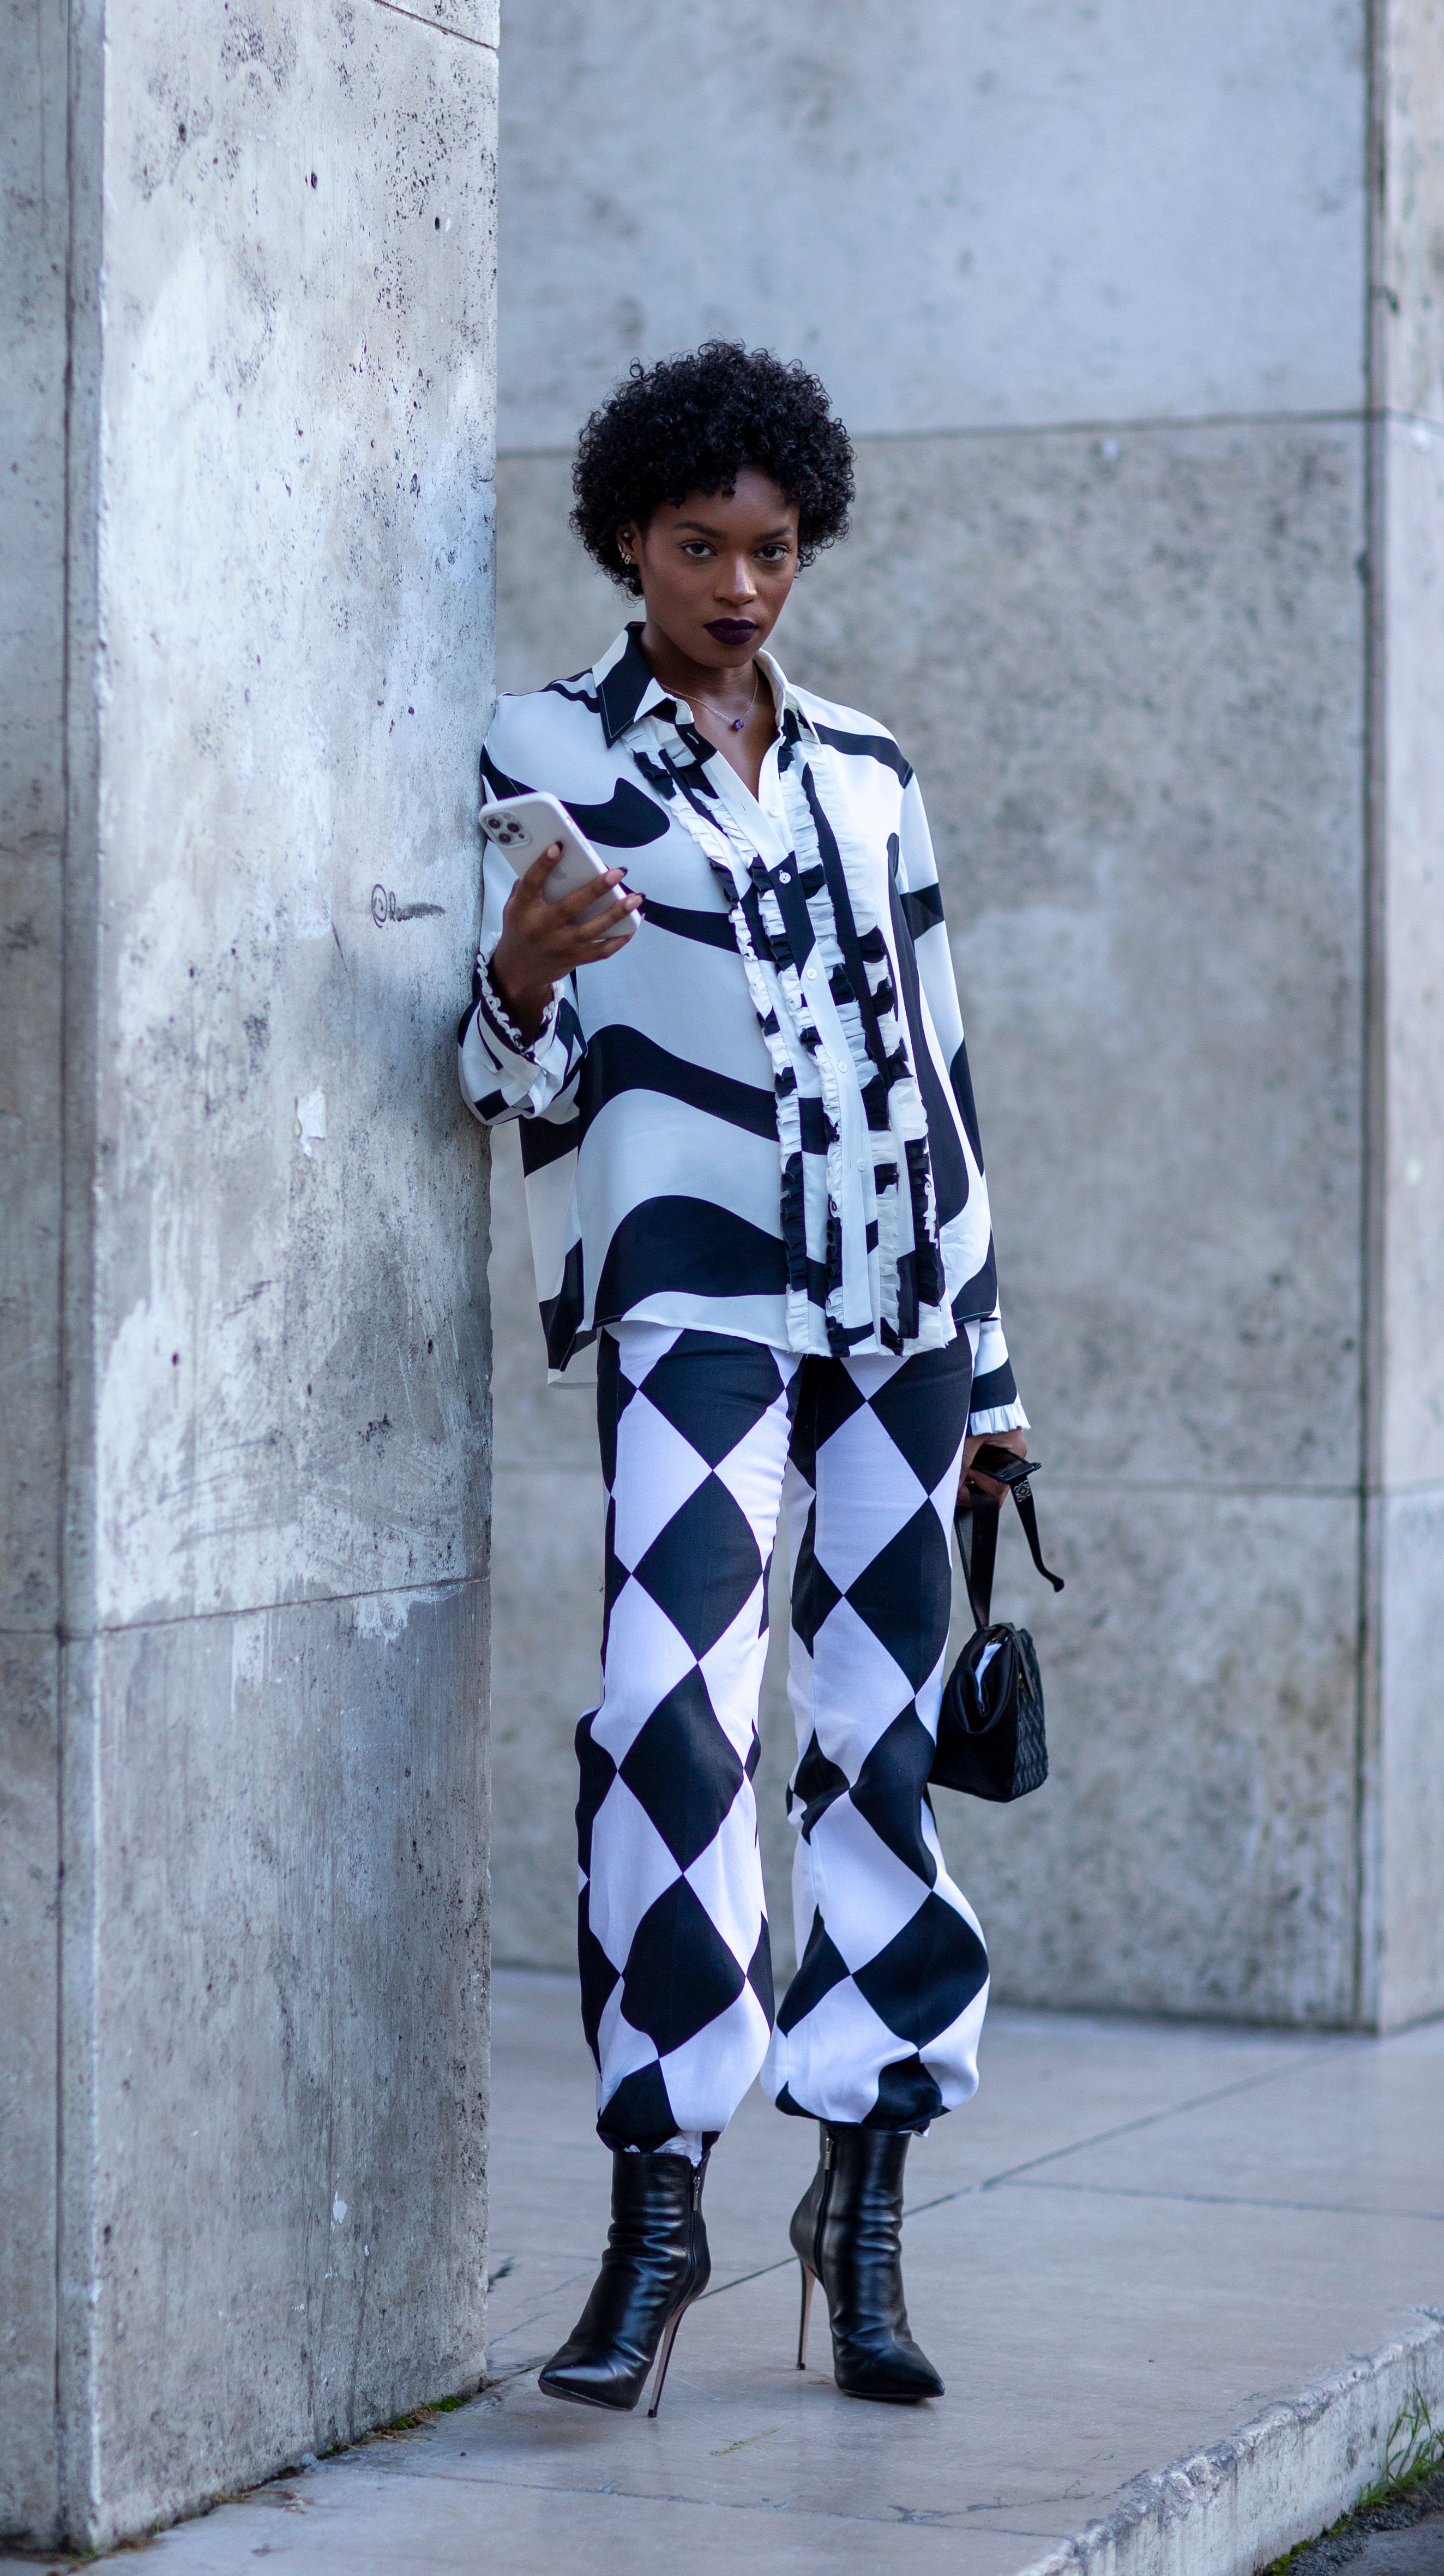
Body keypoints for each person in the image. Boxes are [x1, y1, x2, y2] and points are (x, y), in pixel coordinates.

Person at [458, 341, 1029, 2420]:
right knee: (664, 1727)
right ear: (626, 540)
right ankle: (659, 2206)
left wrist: (987, 1366)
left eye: (770, 548)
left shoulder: (870, 770)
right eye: (700, 547)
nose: (740, 585)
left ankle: (860, 2207)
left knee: (877, 1751)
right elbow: (487, 1051)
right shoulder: (537, 746)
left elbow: (941, 1077)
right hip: (698, 1308)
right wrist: (527, 970)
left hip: (894, 1324)